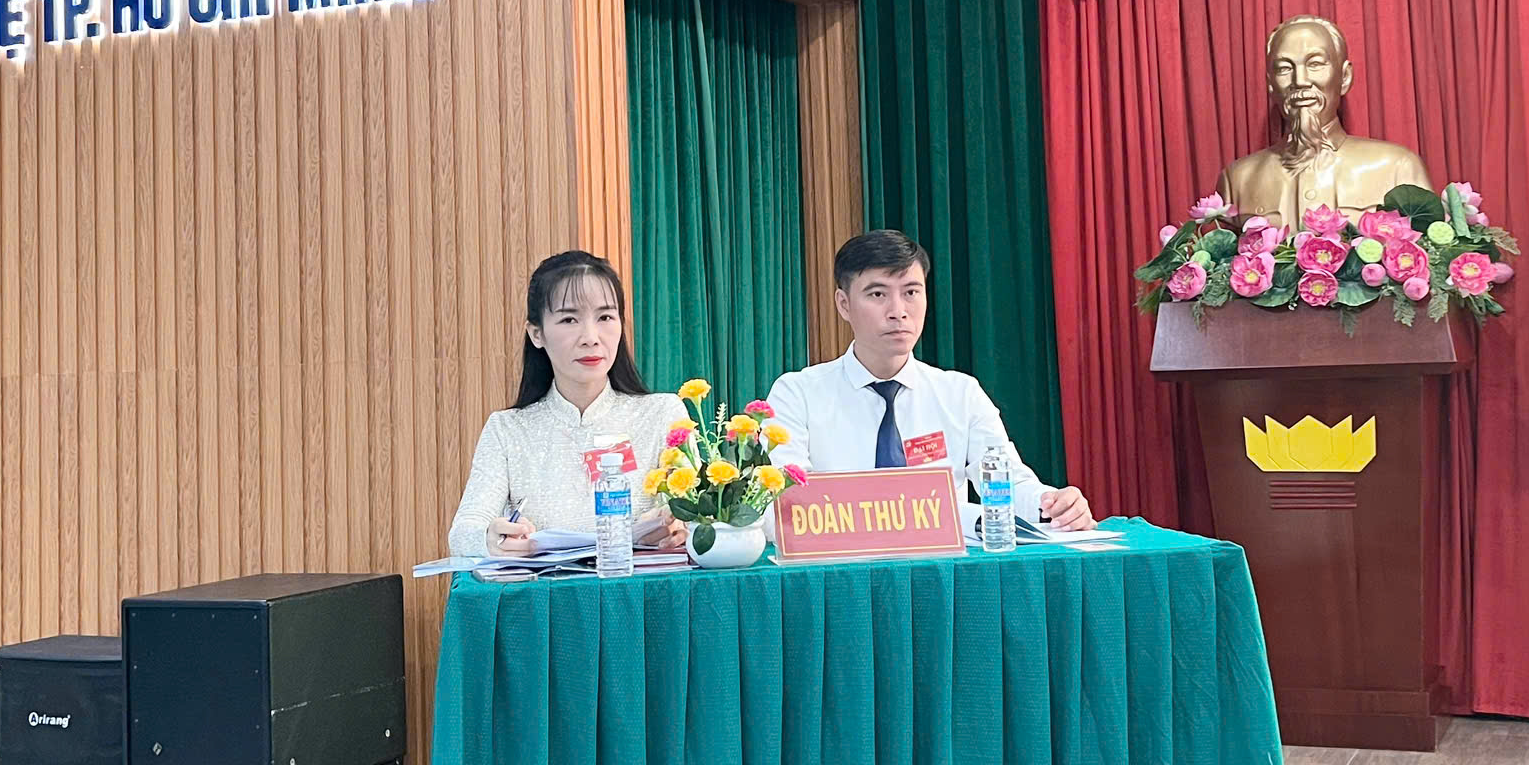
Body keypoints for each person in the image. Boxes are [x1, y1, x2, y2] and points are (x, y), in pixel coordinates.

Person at [766, 229, 1097, 532]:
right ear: (844, 305)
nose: (898, 311)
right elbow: (785, 500)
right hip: (841, 566)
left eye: (911, 292)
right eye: (878, 294)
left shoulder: (960, 393)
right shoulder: (797, 394)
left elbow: (1007, 483)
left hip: (942, 569)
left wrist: (1053, 505)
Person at [447, 250, 685, 559]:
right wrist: (490, 540)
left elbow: (703, 512)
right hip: (546, 588)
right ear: (537, 334)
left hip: (638, 586)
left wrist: (680, 524)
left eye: (605, 317)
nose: (591, 337)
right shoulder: (507, 430)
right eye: (569, 319)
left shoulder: (663, 414)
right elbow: (463, 532)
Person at [1219, 13, 1429, 226]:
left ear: (1344, 77)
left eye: (1315, 64)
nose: (1300, 81)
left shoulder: (1397, 167)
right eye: (1284, 68)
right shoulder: (1237, 181)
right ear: (1271, 84)